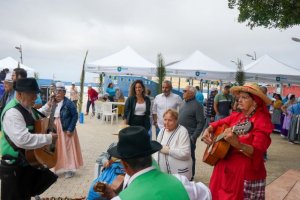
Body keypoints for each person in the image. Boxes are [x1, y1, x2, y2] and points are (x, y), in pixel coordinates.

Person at [201, 83, 273, 199]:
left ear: (255, 102)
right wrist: (208, 129)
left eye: (244, 97)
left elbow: (258, 151)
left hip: (243, 174)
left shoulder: (262, 121)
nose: (239, 100)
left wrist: (238, 144)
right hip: (223, 170)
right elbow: (218, 123)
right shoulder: (238, 116)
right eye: (239, 97)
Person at [0, 78, 58, 200]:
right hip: (14, 169)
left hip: (25, 166)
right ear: (20, 94)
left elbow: (36, 117)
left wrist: (49, 105)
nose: (35, 97)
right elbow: (23, 140)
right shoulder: (12, 113)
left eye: (36, 94)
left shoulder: (25, 107)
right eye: (32, 94)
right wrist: (48, 138)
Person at [102, 126, 190, 200]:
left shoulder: (122, 198)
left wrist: (112, 195)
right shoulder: (182, 182)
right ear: (150, 155)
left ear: (125, 165)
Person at [53, 82, 83, 178]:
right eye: (56, 91)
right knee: (56, 148)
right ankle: (56, 167)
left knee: (68, 148)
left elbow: (75, 116)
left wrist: (70, 129)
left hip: (65, 128)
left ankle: (69, 169)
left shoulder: (69, 103)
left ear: (64, 92)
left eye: (59, 91)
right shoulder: (53, 102)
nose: (57, 93)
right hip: (55, 127)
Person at [154, 109, 192, 180]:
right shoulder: (162, 131)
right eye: (165, 119)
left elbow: (186, 154)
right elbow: (158, 148)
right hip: (164, 174)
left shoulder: (182, 131)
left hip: (179, 174)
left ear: (176, 120)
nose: (166, 123)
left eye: (170, 120)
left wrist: (168, 151)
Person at [178, 85, 205, 181]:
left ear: (191, 93)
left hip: (189, 136)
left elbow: (201, 123)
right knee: (180, 155)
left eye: (185, 91)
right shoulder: (183, 102)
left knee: (190, 156)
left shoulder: (197, 106)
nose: (183, 92)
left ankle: (191, 176)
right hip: (180, 135)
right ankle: (182, 174)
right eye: (183, 90)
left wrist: (194, 137)